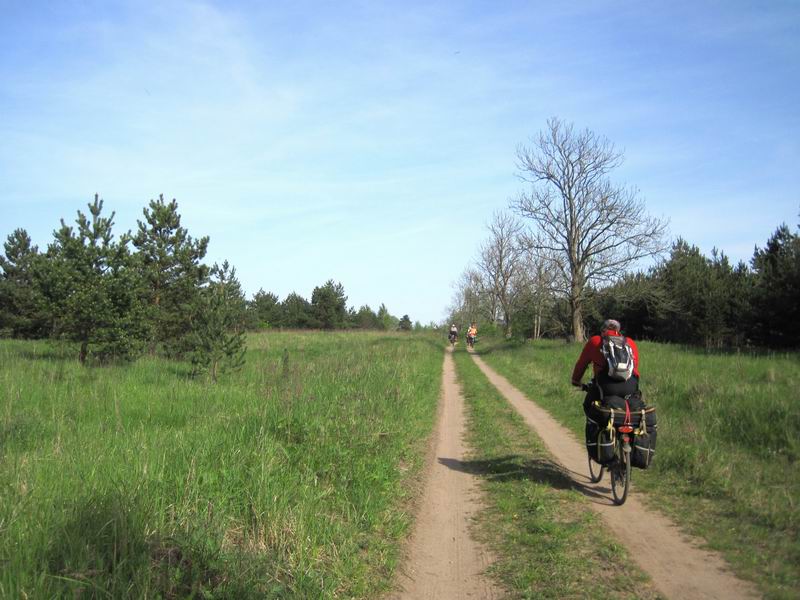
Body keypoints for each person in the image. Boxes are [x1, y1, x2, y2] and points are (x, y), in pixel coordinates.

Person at [571, 319, 640, 416]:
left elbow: (581, 364)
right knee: (635, 409)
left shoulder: (595, 341)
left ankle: (595, 430)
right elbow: (635, 367)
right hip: (630, 386)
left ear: (603, 330)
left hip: (606, 387)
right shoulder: (630, 343)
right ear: (618, 330)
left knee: (588, 405)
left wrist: (575, 380)